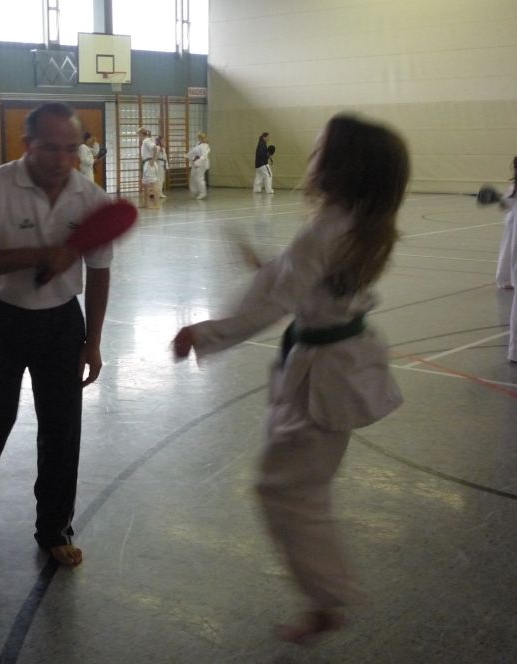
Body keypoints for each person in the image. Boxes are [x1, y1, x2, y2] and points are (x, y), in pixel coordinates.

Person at [173, 114, 409, 644]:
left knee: (286, 489)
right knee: (296, 486)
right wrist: (269, 265)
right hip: (333, 365)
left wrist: (203, 333)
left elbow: (275, 302)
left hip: (324, 374)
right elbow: (306, 284)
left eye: (322, 148)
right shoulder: (361, 223)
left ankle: (328, 599)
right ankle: (326, 597)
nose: (312, 156)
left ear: (343, 166)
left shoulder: (326, 229)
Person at [0, 102, 112, 568]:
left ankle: (55, 527)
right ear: (27, 143)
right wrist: (40, 254)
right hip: (1, 321)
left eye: (71, 148)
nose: (61, 159)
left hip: (62, 325)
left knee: (62, 431)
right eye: (50, 147)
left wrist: (93, 340)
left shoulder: (90, 198)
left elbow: (99, 271)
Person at [495, 157, 516, 290]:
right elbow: (504, 206)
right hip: (513, 224)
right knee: (510, 251)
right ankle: (506, 279)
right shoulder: (514, 187)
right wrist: (498, 199)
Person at [188, 132, 211, 200]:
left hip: (201, 164)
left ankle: (202, 193)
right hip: (195, 163)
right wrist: (188, 155)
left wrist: (197, 162)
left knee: (199, 178)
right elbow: (193, 152)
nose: (198, 138)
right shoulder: (198, 144)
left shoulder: (205, 145)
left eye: (199, 137)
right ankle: (195, 191)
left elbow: (204, 156)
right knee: (193, 176)